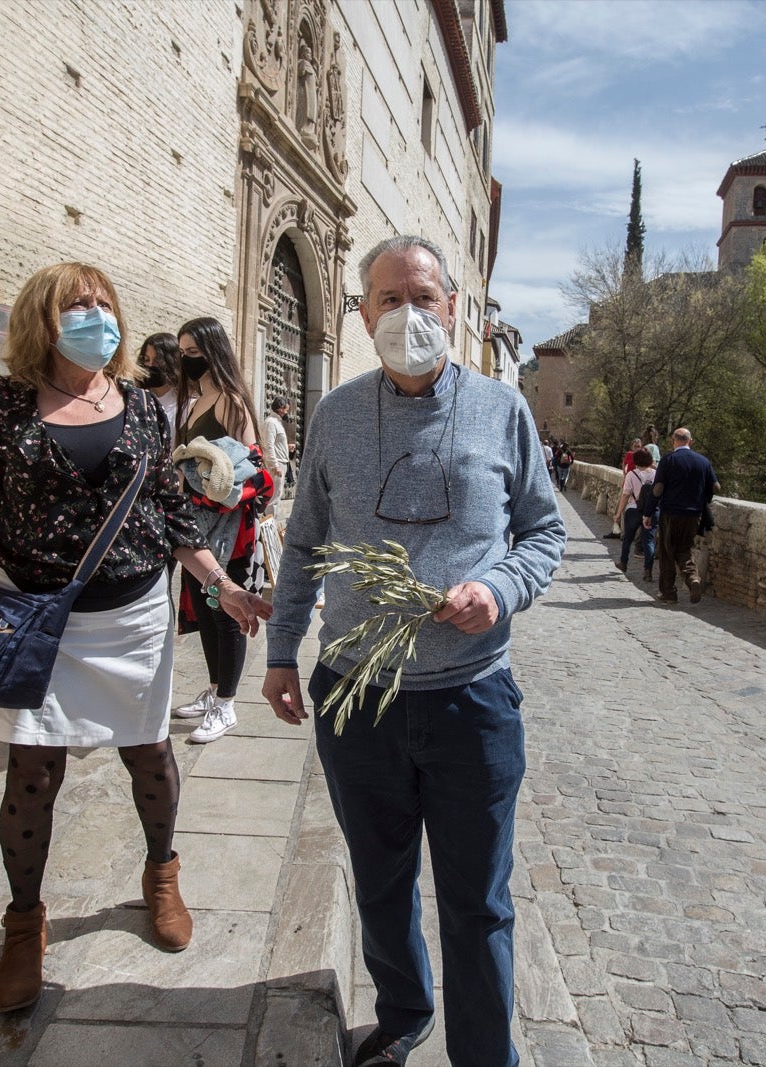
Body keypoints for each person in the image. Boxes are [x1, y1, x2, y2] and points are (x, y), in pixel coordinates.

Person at [0, 262, 271, 1012]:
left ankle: (162, 875)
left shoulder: (144, 408)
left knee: (149, 751)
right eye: (77, 305)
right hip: (38, 611)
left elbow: (173, 514)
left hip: (134, 612)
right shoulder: (2, 404)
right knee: (32, 773)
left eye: (104, 303)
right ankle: (23, 925)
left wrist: (225, 587)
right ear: (42, 320)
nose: (95, 316)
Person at [263, 235, 565, 1067]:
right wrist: (283, 648)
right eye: (388, 300)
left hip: (473, 703)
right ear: (362, 316)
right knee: (382, 878)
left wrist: (498, 589)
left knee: (478, 903)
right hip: (360, 698)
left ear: (453, 309)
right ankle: (402, 1012)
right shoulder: (334, 416)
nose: (407, 315)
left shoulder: (504, 411)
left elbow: (543, 534)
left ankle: (483, 1056)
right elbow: (305, 545)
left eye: (423, 297)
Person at [170, 316, 266, 743]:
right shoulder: (193, 404)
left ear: (213, 352)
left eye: (194, 353)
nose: (187, 360)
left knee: (226, 610)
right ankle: (213, 690)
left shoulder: (231, 401)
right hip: (195, 523)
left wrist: (211, 491)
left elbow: (252, 467)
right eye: (183, 352)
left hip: (229, 526)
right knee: (203, 606)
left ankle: (226, 706)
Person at [641, 426, 720, 604]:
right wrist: (703, 498)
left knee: (668, 551)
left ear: (673, 441)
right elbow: (716, 487)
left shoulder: (668, 460)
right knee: (684, 549)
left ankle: (668, 592)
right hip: (694, 514)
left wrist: (648, 513)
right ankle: (693, 578)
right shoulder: (703, 461)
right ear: (690, 441)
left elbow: (658, 489)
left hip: (671, 513)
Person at [615, 447, 656, 581]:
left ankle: (623, 563)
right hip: (650, 511)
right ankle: (648, 571)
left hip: (633, 509)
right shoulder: (656, 474)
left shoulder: (631, 475)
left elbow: (625, 495)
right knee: (648, 541)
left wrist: (618, 513)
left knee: (628, 538)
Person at [138, 332, 182, 442]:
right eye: (147, 360)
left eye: (157, 361)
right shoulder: (137, 397)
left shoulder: (182, 403)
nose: (150, 365)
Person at [263, 396, 292, 503]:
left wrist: (287, 447)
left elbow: (274, 444)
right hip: (276, 464)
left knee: (276, 496)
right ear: (281, 408)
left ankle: (271, 519)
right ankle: (269, 519)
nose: (287, 413)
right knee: (273, 498)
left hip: (281, 463)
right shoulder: (271, 422)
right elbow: (268, 445)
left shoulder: (276, 423)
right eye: (286, 410)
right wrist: (274, 465)